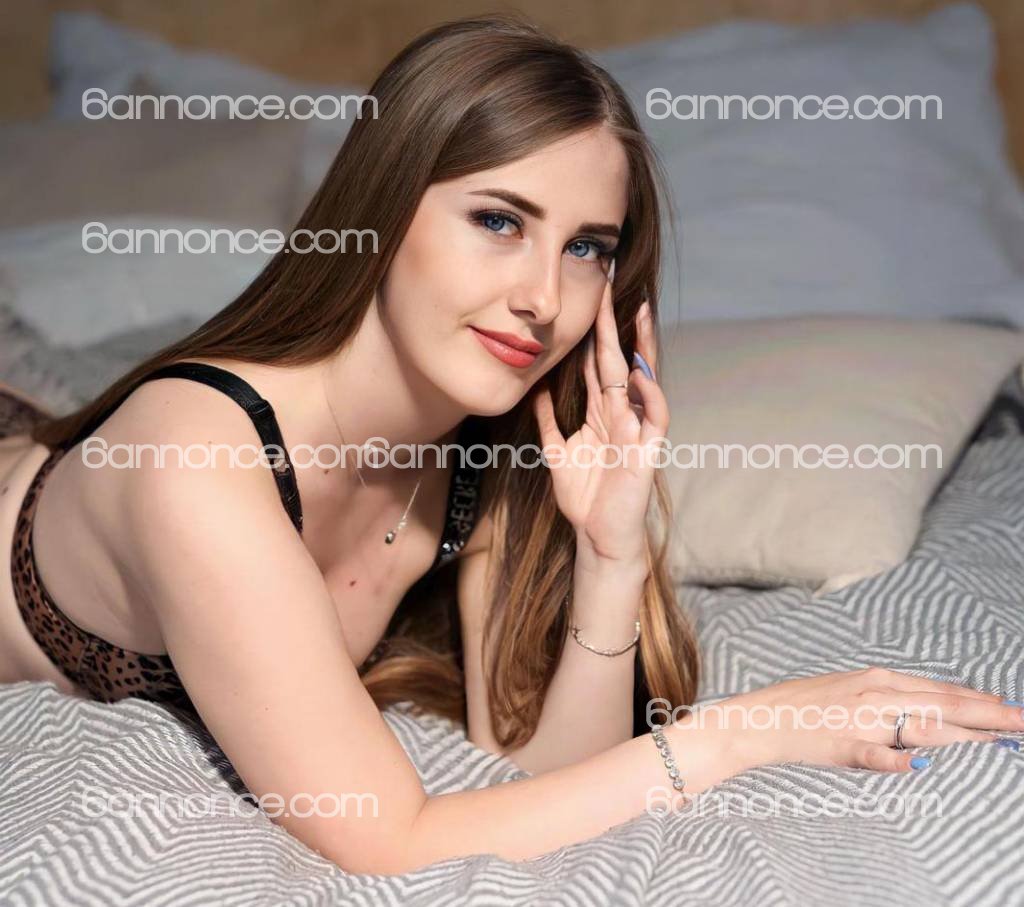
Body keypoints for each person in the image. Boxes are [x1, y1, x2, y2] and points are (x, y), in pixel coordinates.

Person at [2, 13, 1022, 878]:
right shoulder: (200, 466)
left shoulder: (478, 447)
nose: (543, 297)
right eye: (498, 220)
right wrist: (749, 730)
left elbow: (543, 770)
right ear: (381, 206)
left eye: (586, 247)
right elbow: (392, 840)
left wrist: (610, 554)